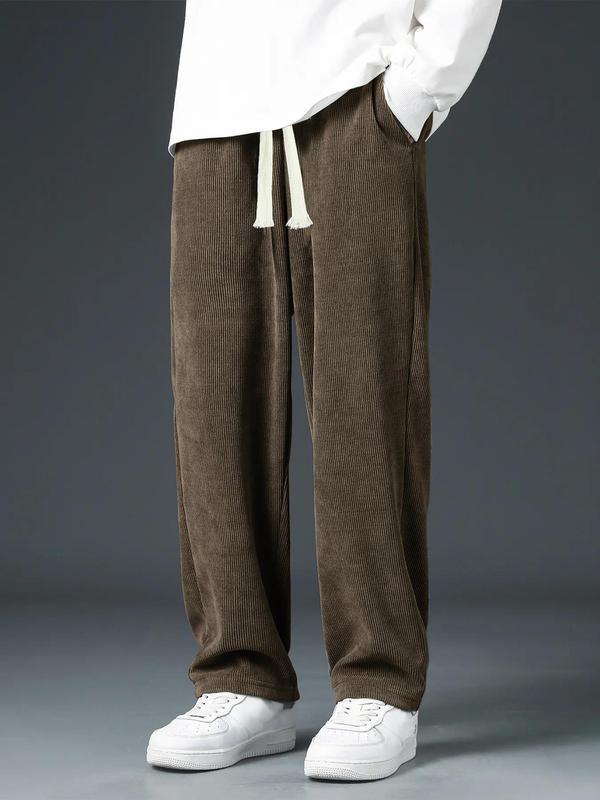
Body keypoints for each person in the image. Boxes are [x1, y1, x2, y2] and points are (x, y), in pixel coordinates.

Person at [146, 0, 502, 782]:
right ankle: (241, 675)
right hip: (214, 97)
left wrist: (421, 86)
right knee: (211, 404)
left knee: (362, 399)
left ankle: (380, 682)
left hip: (355, 88)